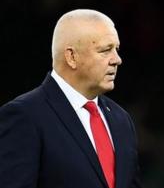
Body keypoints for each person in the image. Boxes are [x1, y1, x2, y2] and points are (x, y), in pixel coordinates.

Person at [0, 9, 141, 188]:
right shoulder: (24, 116)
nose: (117, 59)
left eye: (117, 49)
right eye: (105, 50)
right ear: (71, 57)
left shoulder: (121, 120)